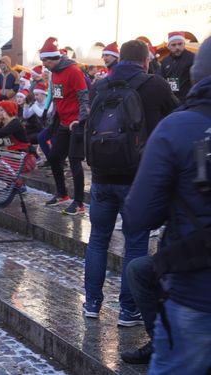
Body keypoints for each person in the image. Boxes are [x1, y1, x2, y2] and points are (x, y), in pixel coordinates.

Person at [123, 36, 211, 374]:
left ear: (196, 76)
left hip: (197, 290)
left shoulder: (178, 127)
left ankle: (155, 338)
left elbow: (138, 215)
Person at [83, 40, 179, 329]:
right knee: (135, 244)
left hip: (101, 176)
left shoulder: (99, 85)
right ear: (146, 61)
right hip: (137, 179)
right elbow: (176, 117)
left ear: (118, 59)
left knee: (98, 239)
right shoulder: (155, 85)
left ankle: (91, 304)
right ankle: (128, 311)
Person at [39, 37, 89, 215]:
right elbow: (58, 97)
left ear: (55, 58)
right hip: (63, 122)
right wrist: (52, 116)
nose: (44, 64)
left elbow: (84, 97)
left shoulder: (73, 71)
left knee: (75, 162)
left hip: (76, 123)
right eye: (42, 60)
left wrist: (81, 120)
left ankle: (79, 202)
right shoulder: (54, 73)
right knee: (53, 157)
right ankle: (62, 194)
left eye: (46, 60)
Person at [157, 31, 195, 103]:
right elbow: (161, 78)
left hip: (188, 100)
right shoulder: (165, 61)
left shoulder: (192, 58)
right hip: (171, 101)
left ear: (184, 44)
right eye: (173, 45)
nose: (177, 47)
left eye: (180, 44)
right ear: (168, 46)